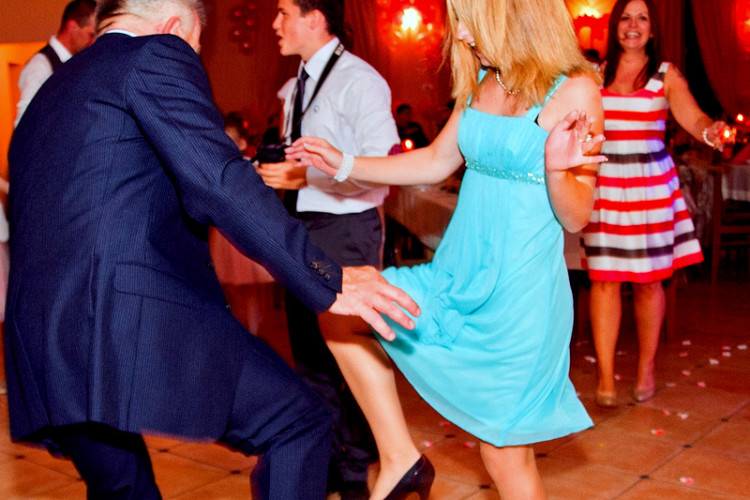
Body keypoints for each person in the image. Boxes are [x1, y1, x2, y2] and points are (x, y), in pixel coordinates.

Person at [4, 0, 419, 498]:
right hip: (125, 314)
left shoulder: (51, 89)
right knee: (298, 424)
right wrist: (326, 277)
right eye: (196, 47)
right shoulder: (154, 53)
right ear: (172, 28)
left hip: (41, 335)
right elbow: (218, 182)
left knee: (125, 489)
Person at [286, 0, 607, 497]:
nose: (461, 33)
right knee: (340, 310)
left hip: (520, 300)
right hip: (453, 278)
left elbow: (577, 216)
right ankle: (400, 458)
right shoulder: (481, 81)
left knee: (503, 456)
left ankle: (403, 464)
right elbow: (436, 161)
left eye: (468, 19)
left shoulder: (576, 88)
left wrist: (556, 170)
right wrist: (345, 163)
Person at [256, 1, 401, 497]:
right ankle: (325, 468)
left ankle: (357, 470)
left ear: (314, 18)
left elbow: (383, 168)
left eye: (283, 12)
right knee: (311, 359)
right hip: (302, 226)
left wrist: (309, 177)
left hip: (347, 230)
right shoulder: (295, 85)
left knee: (352, 355)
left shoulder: (359, 80)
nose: (275, 23)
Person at [581, 0, 730, 408]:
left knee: (649, 282)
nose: (633, 25)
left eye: (642, 18)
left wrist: (710, 131)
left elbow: (692, 117)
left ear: (652, 29)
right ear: (615, 26)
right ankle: (605, 375)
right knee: (604, 279)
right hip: (605, 187)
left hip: (650, 188)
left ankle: (645, 368)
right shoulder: (593, 75)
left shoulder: (666, 74)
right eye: (626, 18)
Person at [208, 112, 275, 334]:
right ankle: (241, 330)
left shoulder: (252, 168)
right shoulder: (216, 169)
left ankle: (253, 332)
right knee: (231, 288)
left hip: (249, 233)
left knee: (253, 290)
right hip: (225, 235)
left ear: (242, 143)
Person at [14, 0, 97, 126]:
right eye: (90, 35)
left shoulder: (77, 62)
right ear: (72, 27)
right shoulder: (40, 65)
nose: (93, 42)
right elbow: (24, 121)